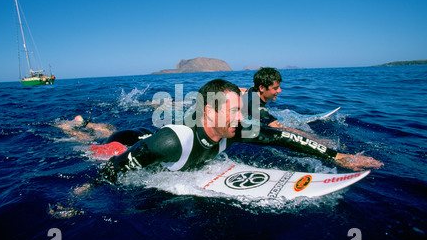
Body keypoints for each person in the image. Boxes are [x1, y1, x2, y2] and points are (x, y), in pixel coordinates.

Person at [100, 79, 383, 183]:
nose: (241, 118)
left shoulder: (235, 130)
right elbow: (113, 169)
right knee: (99, 145)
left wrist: (336, 157)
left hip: (151, 143)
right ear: (210, 112)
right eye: (234, 112)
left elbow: (283, 138)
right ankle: (80, 128)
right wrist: (87, 189)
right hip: (129, 142)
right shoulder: (171, 142)